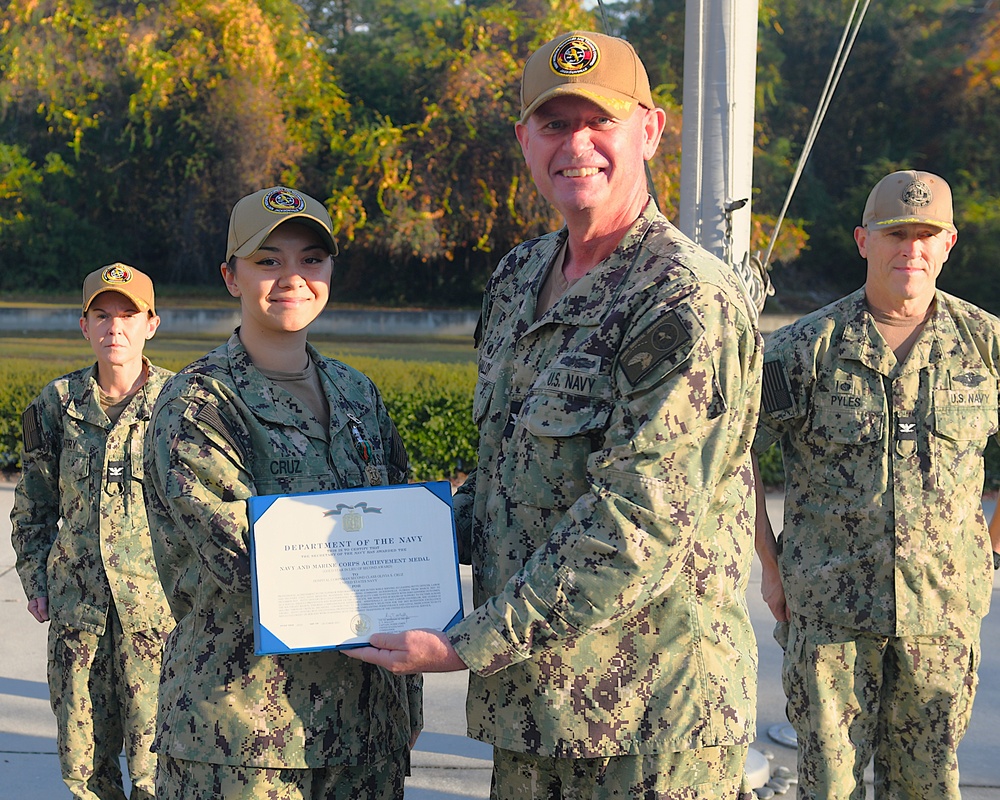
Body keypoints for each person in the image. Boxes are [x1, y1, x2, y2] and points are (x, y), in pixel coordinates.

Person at [347, 31, 763, 798]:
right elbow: (510, 485)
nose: (577, 145)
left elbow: (637, 523)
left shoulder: (681, 300)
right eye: (553, 124)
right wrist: (353, 549)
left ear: (650, 129)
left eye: (598, 120)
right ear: (524, 140)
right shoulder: (517, 279)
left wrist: (466, 644)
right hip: (534, 712)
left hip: (650, 722)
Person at [142, 186, 421, 800]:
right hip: (245, 741)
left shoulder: (357, 395)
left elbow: (409, 525)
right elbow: (247, 561)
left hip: (367, 737)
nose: (292, 277)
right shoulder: (198, 403)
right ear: (229, 276)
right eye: (267, 260)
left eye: (311, 259)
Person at [752, 169, 1000, 799]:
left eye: (926, 234)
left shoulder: (986, 346)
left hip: (940, 623)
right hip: (830, 620)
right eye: (895, 234)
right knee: (829, 788)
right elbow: (734, 455)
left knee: (927, 788)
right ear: (864, 240)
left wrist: (987, 550)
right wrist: (771, 566)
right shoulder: (803, 349)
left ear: (948, 244)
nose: (910, 250)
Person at [10, 264, 173, 800]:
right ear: (84, 327)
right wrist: (37, 581)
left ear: (152, 323)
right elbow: (32, 508)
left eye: (129, 315)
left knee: (159, 771)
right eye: (102, 315)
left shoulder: (182, 407)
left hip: (159, 620)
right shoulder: (55, 406)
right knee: (85, 773)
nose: (115, 327)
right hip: (79, 622)